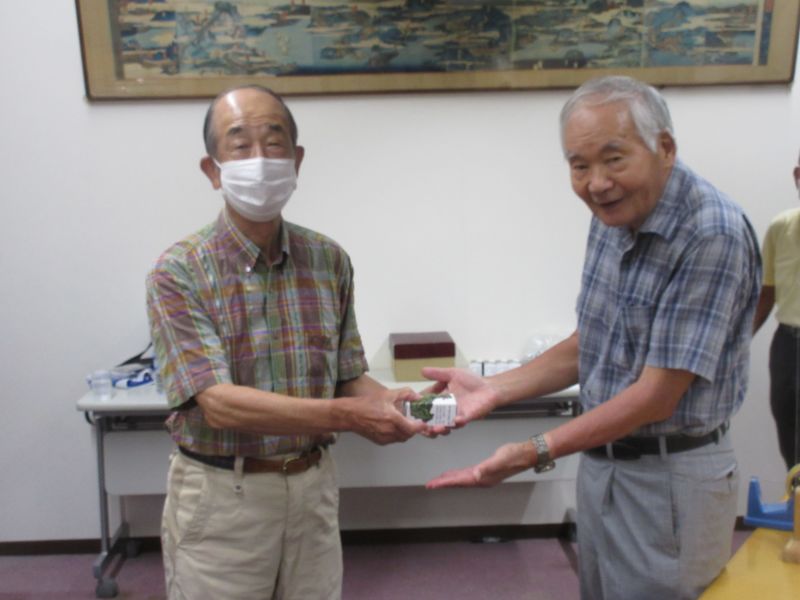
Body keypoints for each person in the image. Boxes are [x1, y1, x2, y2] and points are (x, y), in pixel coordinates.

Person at [424, 76, 761, 600]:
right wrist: (495, 389)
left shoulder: (710, 232)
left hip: (673, 476)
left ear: (664, 148)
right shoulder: (612, 216)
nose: (596, 183)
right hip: (603, 463)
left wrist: (534, 450)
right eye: (578, 166)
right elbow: (591, 345)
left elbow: (656, 396)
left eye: (613, 159)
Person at [146, 84, 426, 600]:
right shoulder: (179, 271)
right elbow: (218, 404)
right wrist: (348, 416)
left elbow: (347, 376)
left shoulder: (328, 259)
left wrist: (396, 403)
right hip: (223, 496)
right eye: (240, 145)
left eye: (274, 143)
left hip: (312, 489)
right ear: (212, 170)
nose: (260, 159)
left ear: (296, 161)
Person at [752, 151, 800, 471]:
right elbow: (766, 293)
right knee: (790, 435)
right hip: (788, 345)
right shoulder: (781, 227)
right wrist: (737, 342)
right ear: (797, 176)